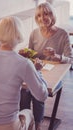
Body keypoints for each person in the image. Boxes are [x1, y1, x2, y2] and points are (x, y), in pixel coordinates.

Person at [0, 16, 48, 130]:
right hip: (7, 125)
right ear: (19, 34)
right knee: (29, 113)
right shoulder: (24, 63)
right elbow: (42, 95)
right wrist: (37, 72)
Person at [20, 2, 73, 130]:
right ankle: (25, 121)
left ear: (52, 15)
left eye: (46, 14)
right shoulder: (34, 33)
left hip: (55, 76)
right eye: (39, 16)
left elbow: (71, 60)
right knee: (25, 90)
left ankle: (38, 124)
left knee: (38, 91)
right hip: (37, 71)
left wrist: (57, 56)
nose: (42, 18)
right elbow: (30, 55)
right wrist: (25, 53)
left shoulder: (63, 34)